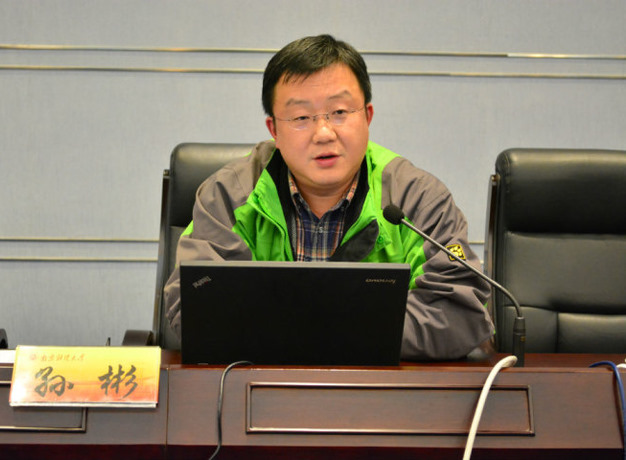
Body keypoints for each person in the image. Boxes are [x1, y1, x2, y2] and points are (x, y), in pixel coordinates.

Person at [163, 34, 493, 360]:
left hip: (380, 390)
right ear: (274, 130)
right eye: (301, 117)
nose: (323, 133)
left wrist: (310, 329)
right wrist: (346, 328)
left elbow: (458, 311)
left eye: (339, 112)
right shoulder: (228, 196)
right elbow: (194, 307)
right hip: (259, 388)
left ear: (367, 116)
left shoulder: (417, 199)